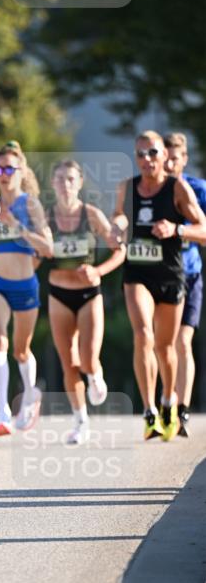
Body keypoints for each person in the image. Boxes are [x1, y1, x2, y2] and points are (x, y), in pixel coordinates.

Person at [110, 131, 206, 441]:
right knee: (143, 335)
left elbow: (203, 229)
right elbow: (119, 217)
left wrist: (177, 228)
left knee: (167, 348)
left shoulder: (177, 188)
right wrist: (117, 227)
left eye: (152, 152)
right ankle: (149, 409)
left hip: (170, 274)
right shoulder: (127, 187)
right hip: (138, 272)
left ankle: (169, 402)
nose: (146, 159)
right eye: (140, 154)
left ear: (164, 155)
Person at [46, 159, 125, 444]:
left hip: (89, 294)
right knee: (69, 363)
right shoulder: (46, 218)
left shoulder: (91, 215)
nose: (65, 185)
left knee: (88, 359)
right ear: (52, 184)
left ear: (79, 182)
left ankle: (94, 375)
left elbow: (120, 252)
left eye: (70, 179)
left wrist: (98, 271)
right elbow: (33, 254)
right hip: (58, 292)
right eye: (60, 179)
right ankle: (81, 421)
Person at [0, 141, 53, 436]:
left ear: (21, 172)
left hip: (25, 285)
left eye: (9, 168)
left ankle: (29, 397)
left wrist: (17, 226)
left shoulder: (30, 204)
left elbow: (47, 248)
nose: (3, 173)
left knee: (22, 350)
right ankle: (2, 412)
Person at [164, 133, 206, 436]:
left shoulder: (198, 189)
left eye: (174, 158)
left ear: (184, 159)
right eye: (165, 157)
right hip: (161, 275)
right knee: (162, 345)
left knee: (182, 342)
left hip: (190, 274)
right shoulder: (151, 189)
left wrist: (177, 229)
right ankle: (167, 401)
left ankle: (183, 410)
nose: (168, 163)